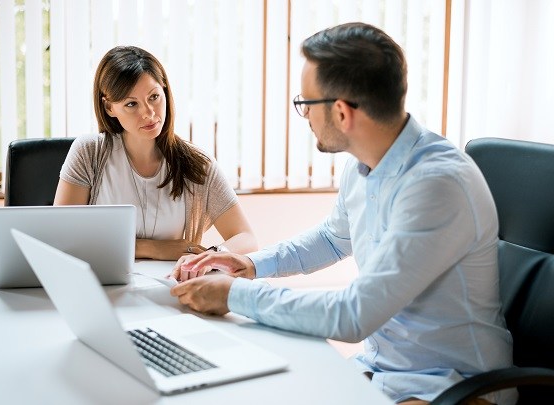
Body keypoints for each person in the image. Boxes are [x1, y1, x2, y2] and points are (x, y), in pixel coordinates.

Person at [168, 23, 516, 404]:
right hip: (383, 367)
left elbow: (354, 315)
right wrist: (249, 265)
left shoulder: (437, 185)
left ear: (341, 112)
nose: (305, 117)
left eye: (305, 104)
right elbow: (334, 239)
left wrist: (235, 295)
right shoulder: (364, 164)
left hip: (453, 384)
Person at [54, 46, 257, 260]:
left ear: (165, 90)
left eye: (154, 97)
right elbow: (62, 237)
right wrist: (152, 248)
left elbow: (246, 238)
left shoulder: (197, 164)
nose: (149, 113)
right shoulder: (89, 152)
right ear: (109, 108)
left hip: (170, 287)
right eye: (131, 104)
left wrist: (209, 257)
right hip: (104, 287)